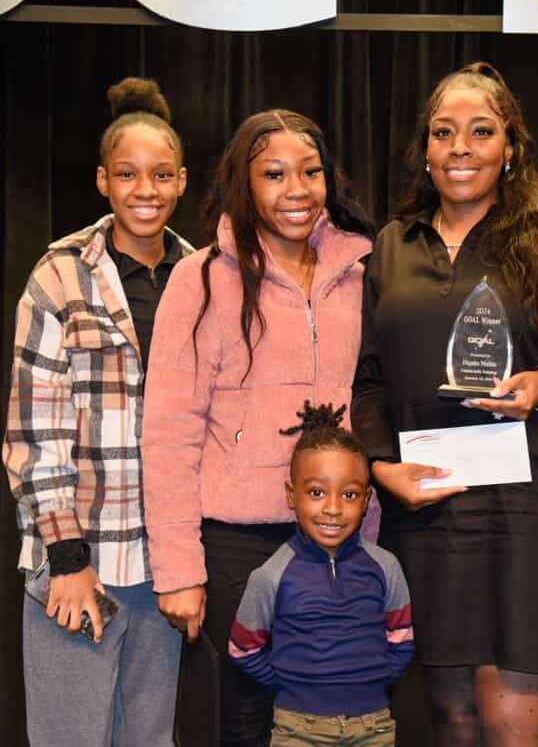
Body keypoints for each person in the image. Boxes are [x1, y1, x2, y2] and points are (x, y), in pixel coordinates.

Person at [352, 61, 538, 747]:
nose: (460, 146)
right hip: (433, 510)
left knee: (510, 728)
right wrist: (380, 468)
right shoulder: (392, 246)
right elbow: (368, 378)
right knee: (455, 723)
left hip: (533, 511)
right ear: (425, 150)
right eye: (443, 132)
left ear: (510, 148)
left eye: (480, 131)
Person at [141, 109, 375, 745]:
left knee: (327, 718)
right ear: (245, 184)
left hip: (337, 539)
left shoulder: (360, 272)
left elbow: (372, 401)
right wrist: (180, 570)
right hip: (238, 543)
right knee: (243, 719)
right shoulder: (202, 278)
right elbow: (168, 431)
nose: (296, 190)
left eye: (310, 171)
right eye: (274, 174)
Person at [3, 77, 191, 746]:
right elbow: (34, 432)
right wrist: (67, 556)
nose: (146, 188)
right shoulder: (59, 274)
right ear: (103, 182)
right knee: (70, 738)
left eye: (161, 174)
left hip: (165, 567)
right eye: (128, 174)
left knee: (150, 738)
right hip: (80, 559)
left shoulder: (200, 275)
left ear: (182, 181)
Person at [229, 401, 414, 747]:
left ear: (366, 500)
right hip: (297, 730)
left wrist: (368, 684)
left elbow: (402, 642)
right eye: (316, 492)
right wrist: (292, 686)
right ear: (291, 495)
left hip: (374, 728)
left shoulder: (385, 567)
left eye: (349, 494)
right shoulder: (270, 575)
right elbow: (243, 649)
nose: (332, 508)